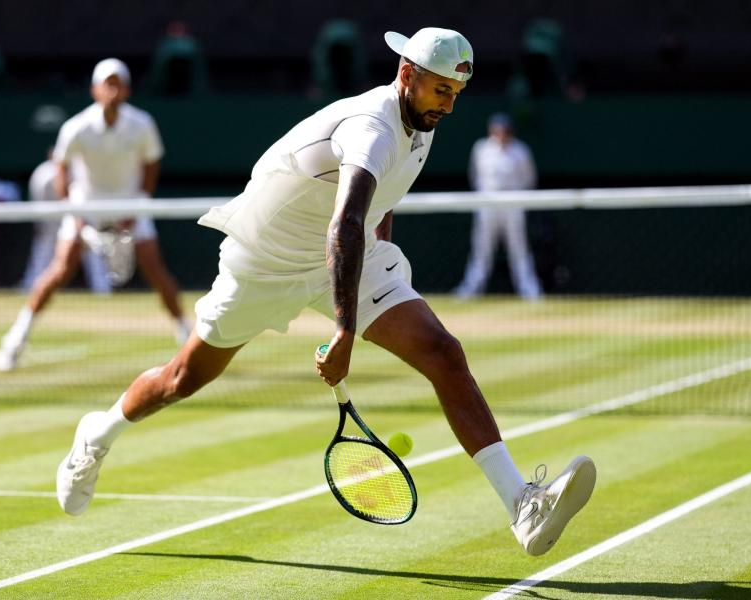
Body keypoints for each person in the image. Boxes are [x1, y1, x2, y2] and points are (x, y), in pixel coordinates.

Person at [55, 29, 595, 557]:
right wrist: (344, 329)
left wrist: (381, 281)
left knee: (443, 352)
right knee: (183, 378)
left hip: (344, 256)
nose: (448, 105)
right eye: (440, 90)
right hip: (265, 263)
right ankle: (97, 435)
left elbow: (375, 210)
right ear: (406, 74)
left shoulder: (422, 122)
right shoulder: (372, 127)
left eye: (455, 93)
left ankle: (522, 505)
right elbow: (346, 223)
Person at [0, 58, 189, 372]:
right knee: (58, 271)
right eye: (107, 83)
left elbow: (151, 166)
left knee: (155, 271)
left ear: (126, 89)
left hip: (130, 206)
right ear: (95, 89)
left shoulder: (142, 124)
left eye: (118, 83)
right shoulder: (76, 127)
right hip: (86, 206)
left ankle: (185, 335)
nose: (112, 89)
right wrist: (75, 209)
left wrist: (138, 206)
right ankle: (15, 341)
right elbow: (61, 167)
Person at [454, 112, 544, 300]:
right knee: (481, 249)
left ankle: (530, 292)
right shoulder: (481, 148)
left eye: (503, 129)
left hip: (513, 205)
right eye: (496, 129)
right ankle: (471, 290)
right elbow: (475, 176)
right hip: (486, 205)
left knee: (518, 249)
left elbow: (529, 179)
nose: (500, 133)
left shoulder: (521, 150)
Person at [19, 157, 111, 294]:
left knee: (92, 250)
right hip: (54, 221)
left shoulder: (80, 171)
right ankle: (30, 286)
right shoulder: (44, 174)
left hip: (80, 219)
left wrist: (81, 221)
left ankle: (102, 288)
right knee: (45, 254)